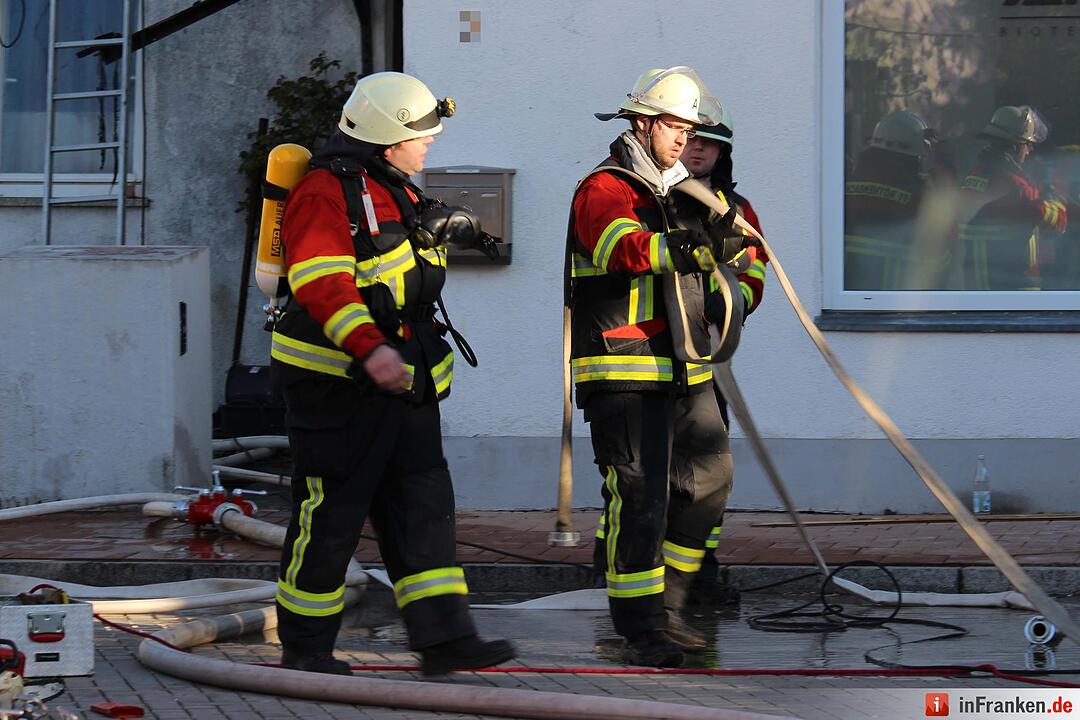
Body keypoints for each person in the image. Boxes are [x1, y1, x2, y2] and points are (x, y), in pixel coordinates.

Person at [269, 71, 515, 676]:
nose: (431, 139)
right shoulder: (325, 193)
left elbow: (394, 274)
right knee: (331, 512)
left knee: (423, 506)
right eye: (422, 131)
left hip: (402, 383)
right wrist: (369, 347)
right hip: (340, 384)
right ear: (387, 136)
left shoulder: (391, 187)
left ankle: (444, 639)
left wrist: (435, 232)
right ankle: (306, 647)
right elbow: (323, 283)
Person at [571, 66, 743, 667]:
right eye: (676, 125)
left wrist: (726, 258)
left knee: (710, 478)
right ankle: (641, 628)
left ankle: (670, 604)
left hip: (684, 367)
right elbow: (618, 246)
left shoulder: (685, 192)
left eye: (691, 127)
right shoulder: (608, 186)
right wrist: (681, 246)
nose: (685, 137)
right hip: (624, 367)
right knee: (639, 497)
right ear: (643, 123)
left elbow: (739, 260)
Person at [673, 106, 768, 607]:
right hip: (647, 358)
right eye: (690, 138)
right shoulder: (649, 199)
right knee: (640, 473)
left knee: (709, 474)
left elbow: (755, 274)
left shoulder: (736, 210)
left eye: (709, 143)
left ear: (722, 152)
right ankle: (622, 570)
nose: (698, 148)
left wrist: (733, 304)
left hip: (708, 363)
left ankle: (700, 575)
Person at [959, 105, 1068, 290]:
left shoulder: (974, 176)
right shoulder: (1016, 187)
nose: (1030, 151)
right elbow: (1053, 219)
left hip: (976, 291)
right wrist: (1056, 202)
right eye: (1028, 144)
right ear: (1016, 146)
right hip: (1015, 296)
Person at [844, 110, 947, 290]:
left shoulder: (846, 185)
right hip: (898, 300)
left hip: (848, 299)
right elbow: (941, 260)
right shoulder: (921, 196)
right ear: (916, 152)